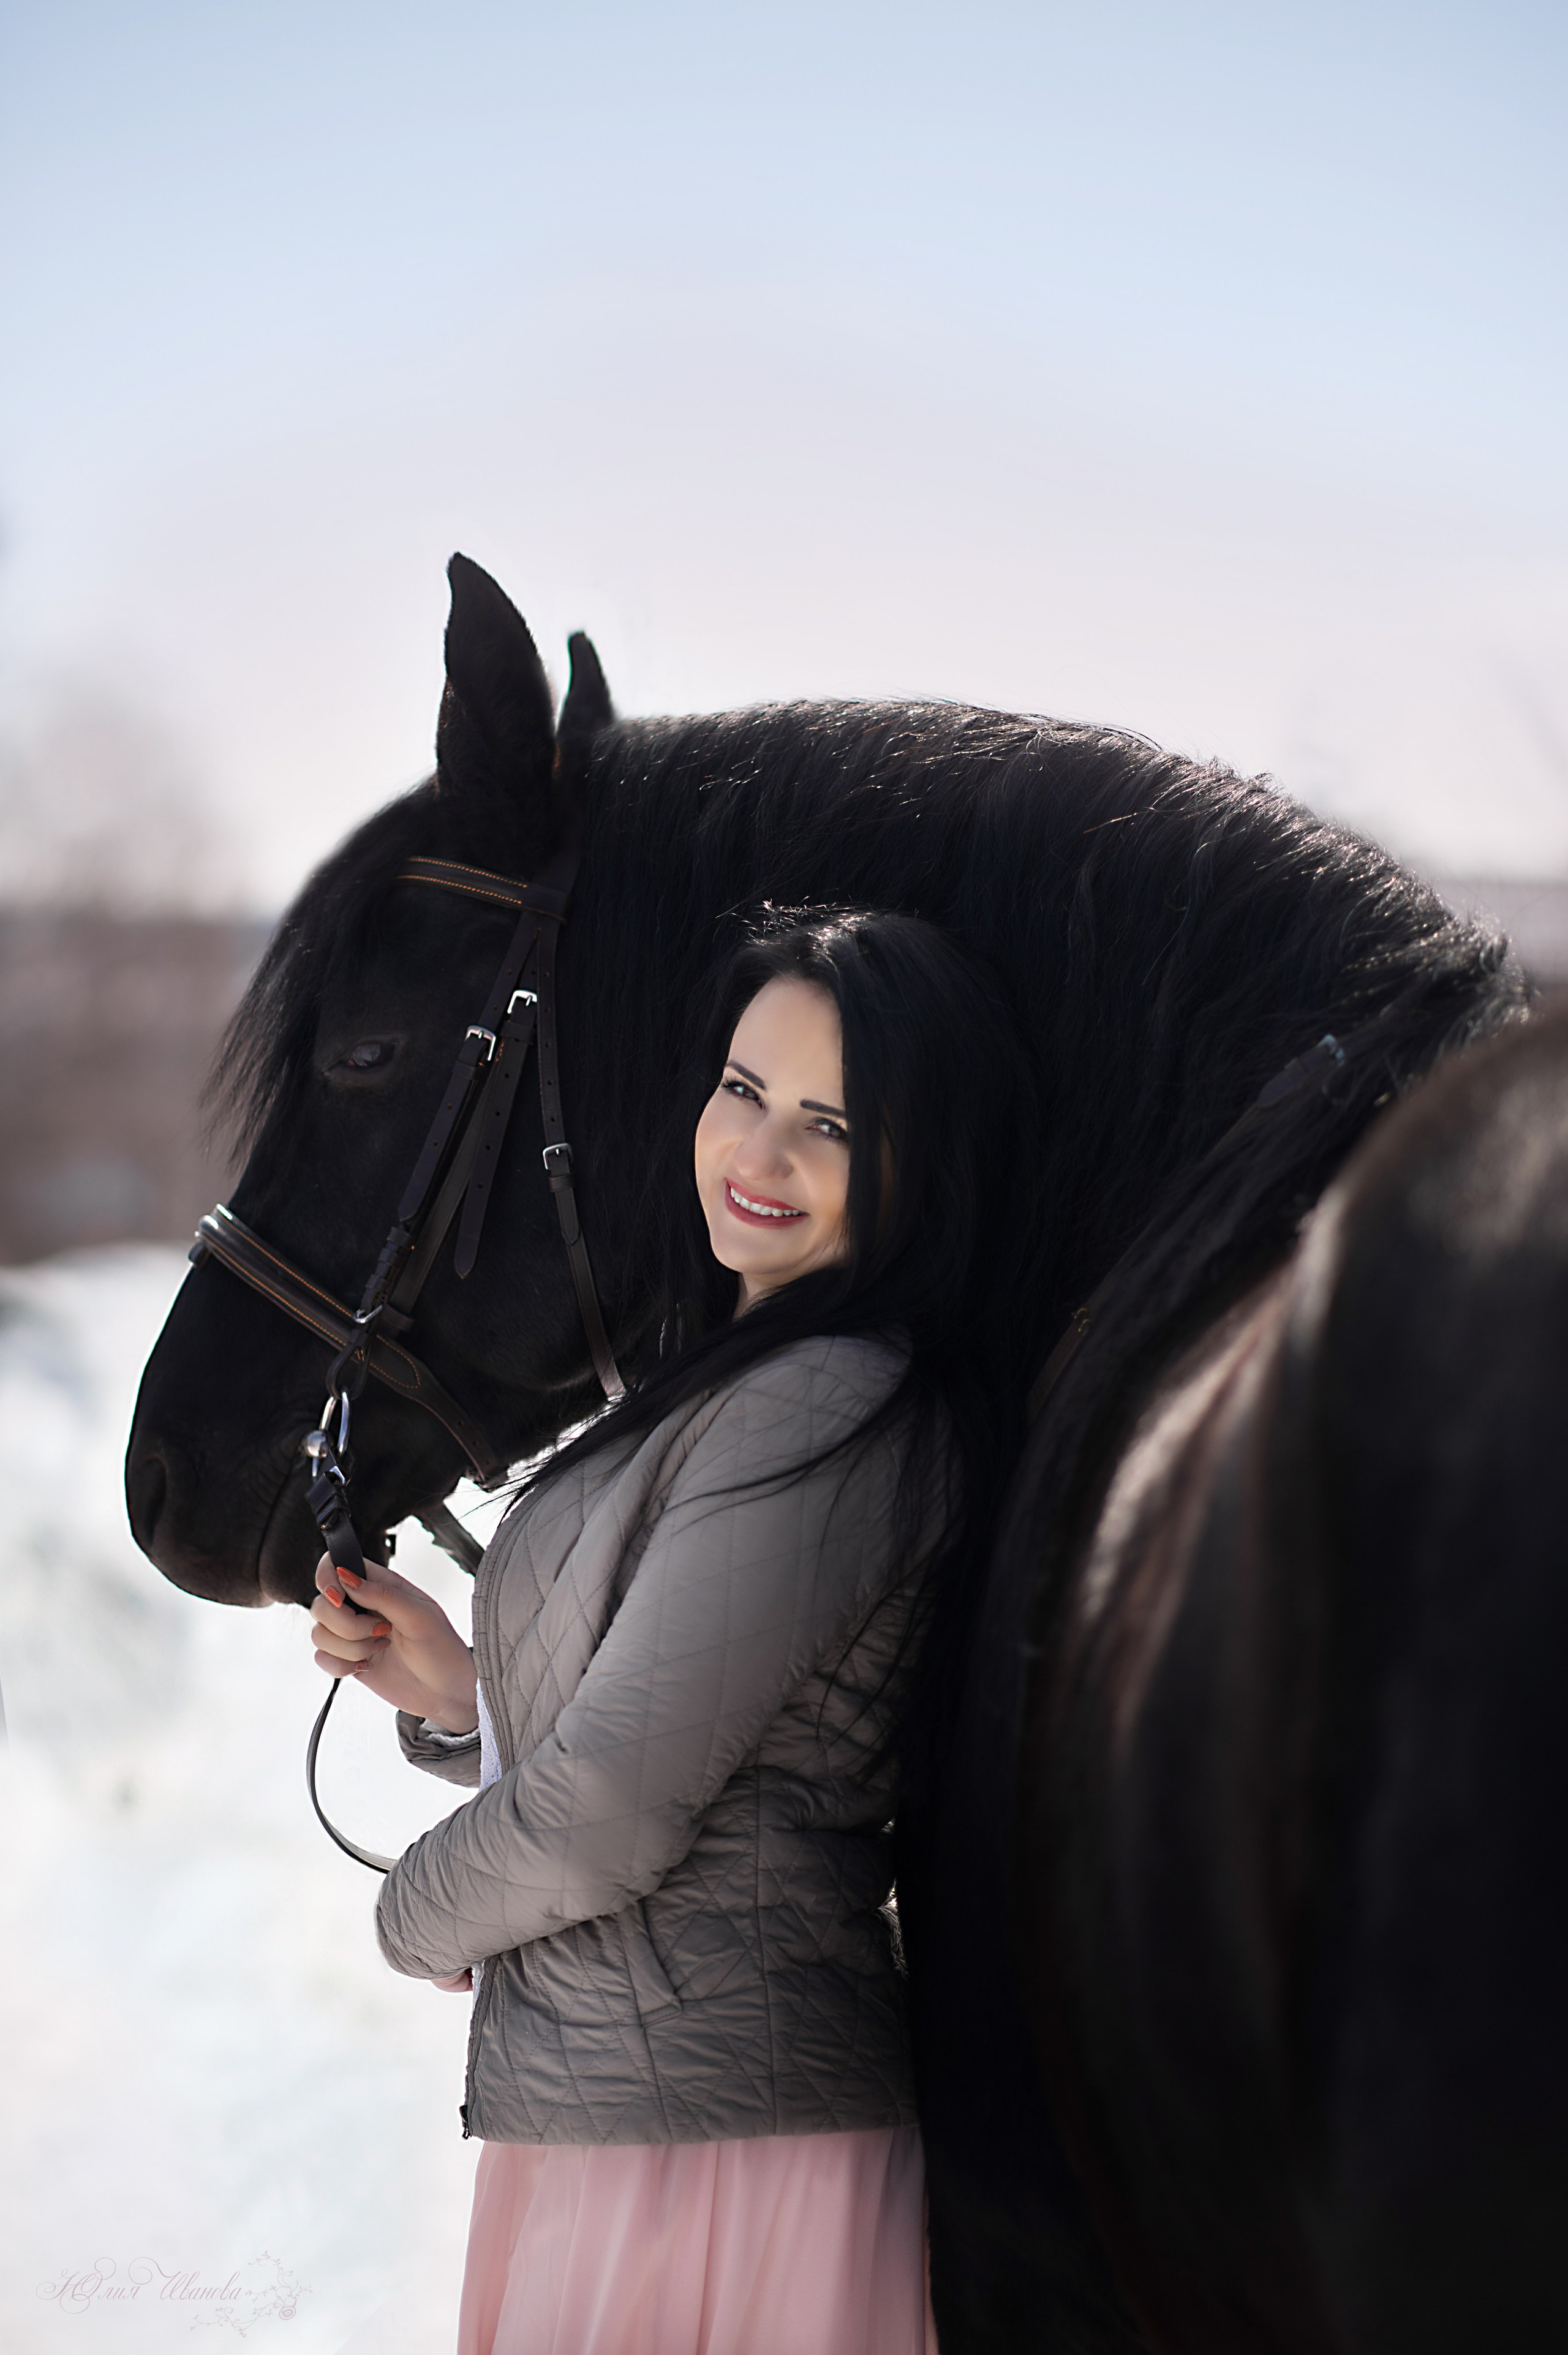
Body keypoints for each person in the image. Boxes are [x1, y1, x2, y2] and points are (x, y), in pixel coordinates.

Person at [306, 908, 1038, 2355]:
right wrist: (464, 1698)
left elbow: (602, 1826)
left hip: (717, 2155)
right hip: (631, 2122)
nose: (758, 1158)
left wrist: (412, 1918)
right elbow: (712, 1759)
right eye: (743, 1092)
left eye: (828, 1126)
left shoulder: (826, 1406)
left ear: (915, 1163)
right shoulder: (731, 1380)